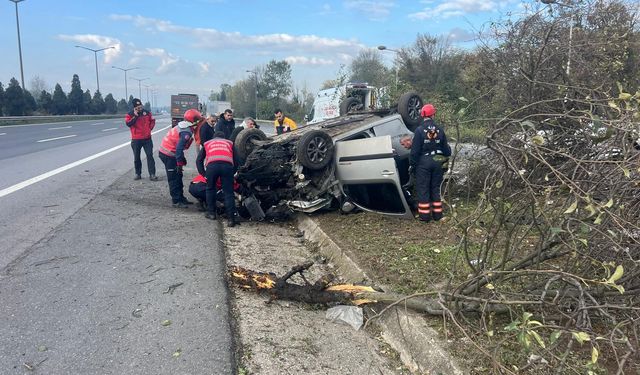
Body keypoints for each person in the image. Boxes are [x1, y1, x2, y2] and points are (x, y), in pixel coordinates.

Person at [409, 104, 451, 222]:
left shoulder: (419, 130)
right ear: (433, 114)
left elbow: (415, 151)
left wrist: (413, 165)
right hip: (438, 161)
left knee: (423, 189)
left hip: (424, 163)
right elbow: (447, 151)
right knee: (435, 188)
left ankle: (425, 217)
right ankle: (438, 216)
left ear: (422, 115)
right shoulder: (440, 129)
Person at [158, 109, 202, 208]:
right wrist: (179, 163)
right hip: (168, 155)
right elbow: (179, 149)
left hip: (170, 154)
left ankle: (181, 198)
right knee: (173, 178)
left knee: (178, 176)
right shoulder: (186, 132)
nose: (199, 122)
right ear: (193, 120)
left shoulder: (183, 126)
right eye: (198, 120)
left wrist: (181, 160)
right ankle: (176, 201)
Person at [196, 130, 241, 227]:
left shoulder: (207, 143)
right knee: (228, 192)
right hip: (227, 166)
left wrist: (203, 174)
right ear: (224, 138)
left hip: (212, 167)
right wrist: (232, 172)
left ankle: (211, 213)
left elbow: (199, 160)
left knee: (210, 189)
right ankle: (231, 219)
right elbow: (237, 160)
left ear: (214, 137)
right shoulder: (229, 143)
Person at [125, 98, 157, 180]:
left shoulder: (147, 112)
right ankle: (138, 174)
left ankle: (152, 174)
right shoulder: (130, 114)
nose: (140, 108)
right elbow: (128, 124)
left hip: (147, 139)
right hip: (136, 140)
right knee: (136, 157)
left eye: (140, 106)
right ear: (134, 107)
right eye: (138, 107)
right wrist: (135, 116)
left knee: (150, 156)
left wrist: (150, 128)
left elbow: (152, 120)